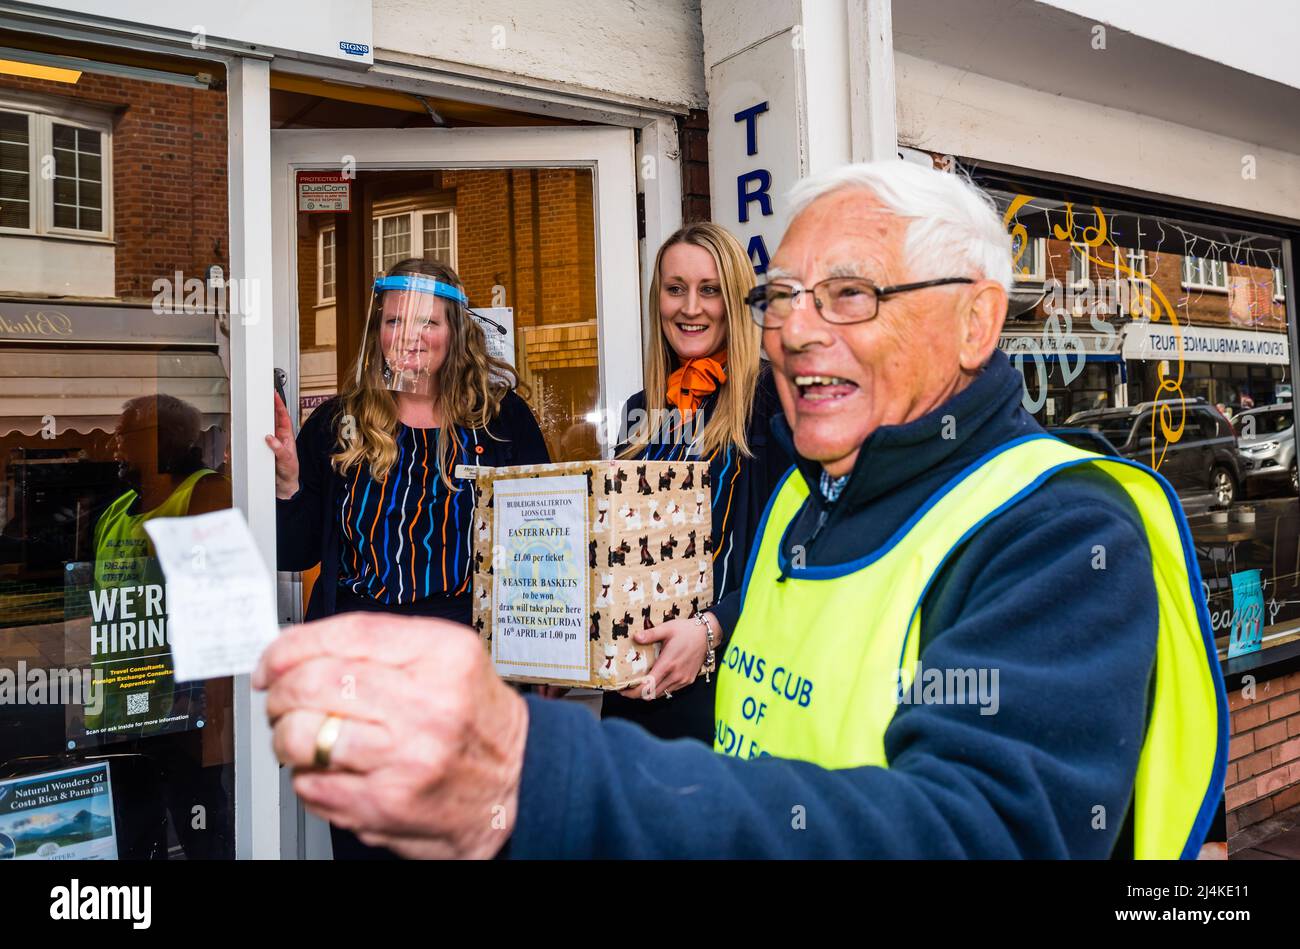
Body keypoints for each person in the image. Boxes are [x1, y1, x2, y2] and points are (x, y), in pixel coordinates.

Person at [256, 161, 1228, 859]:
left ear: (975, 318)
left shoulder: (1059, 530)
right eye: (783, 294)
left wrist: (539, 773)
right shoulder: (815, 489)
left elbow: (973, 829)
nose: (797, 327)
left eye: (849, 294)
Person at [267, 258, 548, 857]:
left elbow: (543, 549)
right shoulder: (338, 423)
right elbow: (295, 551)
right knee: (368, 841)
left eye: (429, 322)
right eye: (395, 322)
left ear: (457, 332)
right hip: (358, 671)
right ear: (377, 331)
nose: (411, 337)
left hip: (466, 668)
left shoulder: (502, 422)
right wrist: (289, 483)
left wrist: (542, 662)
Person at [599, 223, 790, 742]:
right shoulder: (642, 410)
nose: (690, 307)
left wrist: (713, 628)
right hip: (635, 680)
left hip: (733, 681)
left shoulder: (776, 399)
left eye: (709, 290)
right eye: (675, 288)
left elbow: (798, 549)